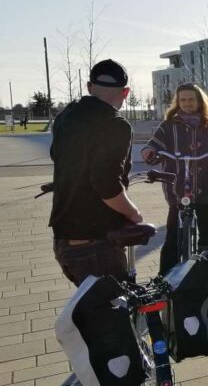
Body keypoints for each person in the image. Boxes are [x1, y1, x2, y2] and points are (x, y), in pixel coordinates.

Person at [49, 59, 141, 286]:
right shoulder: (115, 124)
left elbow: (57, 156)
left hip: (64, 238)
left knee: (91, 314)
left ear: (89, 87)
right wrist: (133, 214)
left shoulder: (66, 116)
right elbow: (107, 184)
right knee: (113, 315)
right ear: (126, 91)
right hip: (95, 243)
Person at [141, 83, 208, 275]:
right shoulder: (168, 126)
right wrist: (149, 152)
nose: (187, 103)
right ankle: (164, 282)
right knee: (173, 237)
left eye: (191, 99)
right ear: (177, 102)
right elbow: (153, 145)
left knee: (206, 239)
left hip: (207, 186)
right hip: (178, 188)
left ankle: (206, 278)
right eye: (183, 100)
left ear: (199, 101)